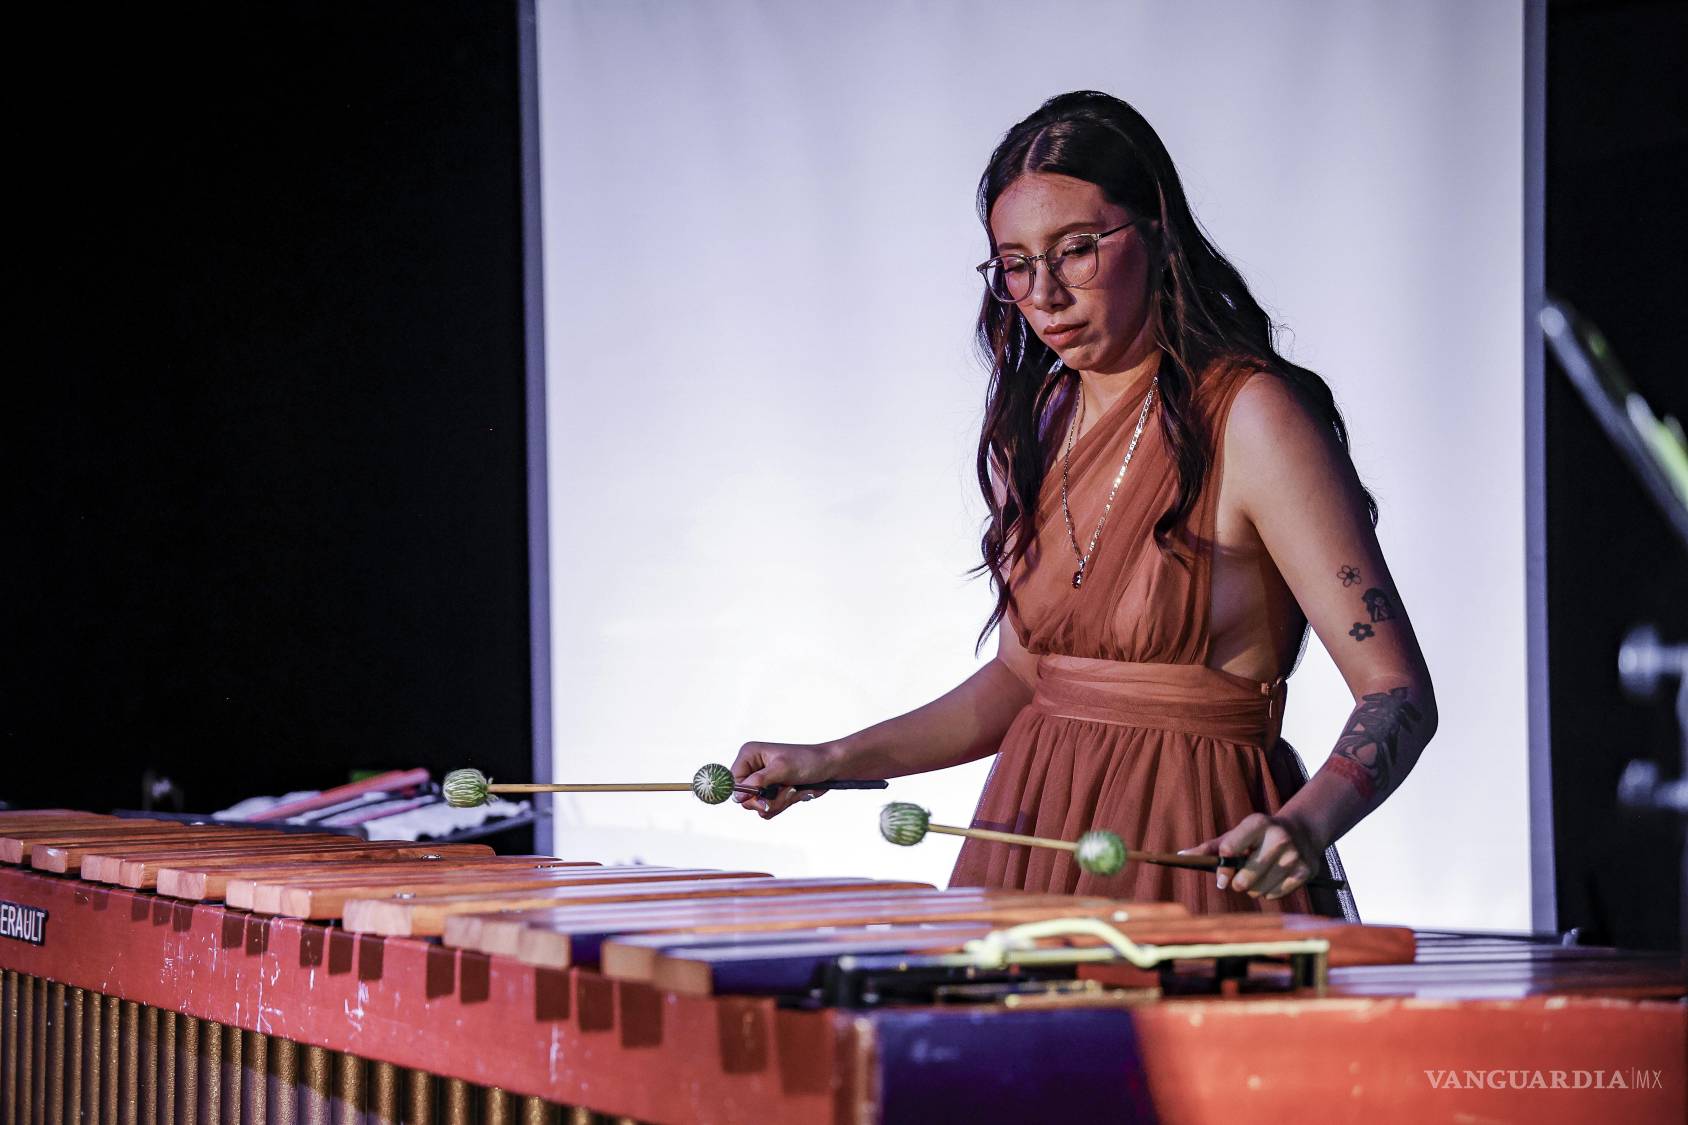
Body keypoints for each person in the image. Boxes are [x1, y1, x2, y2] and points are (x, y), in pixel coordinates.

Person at [731, 90, 1437, 915]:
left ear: (1158, 234)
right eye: (1017, 266)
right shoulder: (1035, 426)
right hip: (1031, 835)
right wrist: (833, 757)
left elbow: (1395, 690)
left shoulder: (1252, 418)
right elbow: (1024, 679)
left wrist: (1304, 825)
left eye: (1077, 250)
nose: (1045, 295)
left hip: (1189, 847)